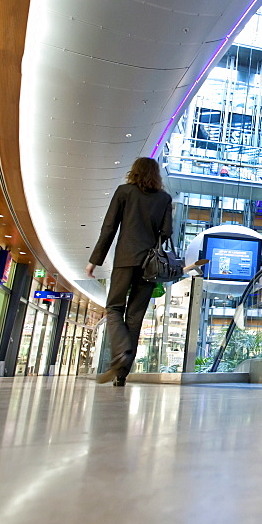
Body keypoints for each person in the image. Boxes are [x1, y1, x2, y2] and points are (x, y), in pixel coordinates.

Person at [86, 157, 173, 386]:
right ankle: (121, 375)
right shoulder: (164, 198)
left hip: (125, 259)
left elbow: (109, 227)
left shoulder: (124, 192)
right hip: (149, 265)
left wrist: (95, 260)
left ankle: (121, 351)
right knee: (135, 318)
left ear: (134, 171)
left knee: (114, 307)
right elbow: (166, 232)